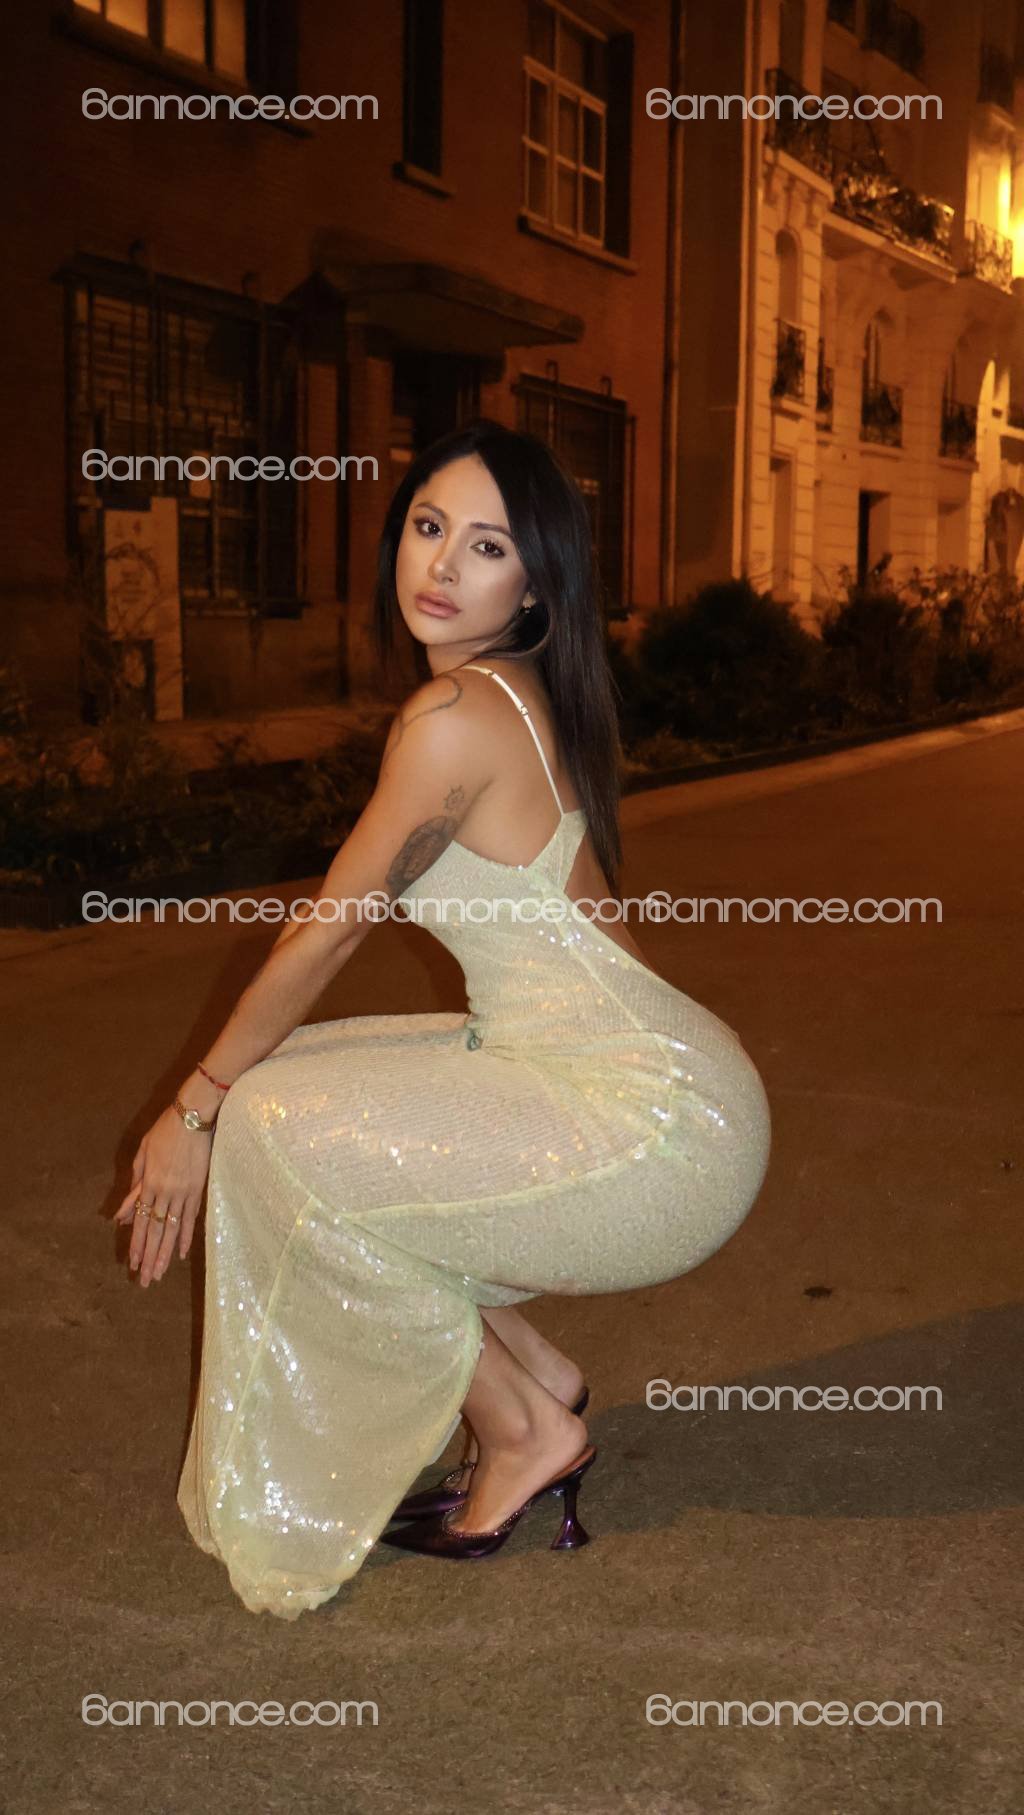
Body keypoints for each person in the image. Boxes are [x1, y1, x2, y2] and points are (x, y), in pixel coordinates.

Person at [113, 421, 771, 1619]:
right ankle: (536, 1375)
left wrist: (191, 1110)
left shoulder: (453, 717)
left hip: (655, 1132)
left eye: (487, 546)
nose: (442, 565)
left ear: (535, 586)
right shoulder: (515, 695)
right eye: (429, 528)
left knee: (267, 1131)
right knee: (304, 1093)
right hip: (664, 1087)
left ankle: (521, 1430)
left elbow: (326, 935)